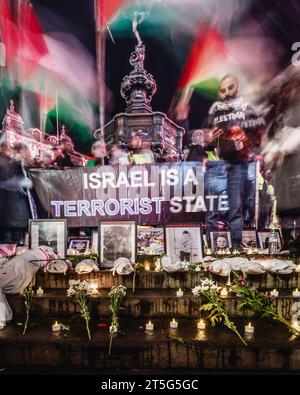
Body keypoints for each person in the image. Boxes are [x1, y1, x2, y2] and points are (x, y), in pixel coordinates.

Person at [206, 74, 265, 249]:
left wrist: (242, 129)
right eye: (222, 90)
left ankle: (236, 245)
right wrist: (209, 138)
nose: (226, 93)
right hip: (216, 162)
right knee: (212, 208)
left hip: (238, 163)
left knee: (235, 206)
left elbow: (261, 123)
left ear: (237, 87)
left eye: (230, 88)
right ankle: (210, 247)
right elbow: (208, 134)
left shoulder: (246, 107)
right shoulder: (215, 109)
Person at [0, 143, 33, 245]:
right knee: (12, 240)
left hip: (12, 211)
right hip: (12, 208)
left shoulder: (15, 164)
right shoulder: (12, 163)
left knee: (13, 239)